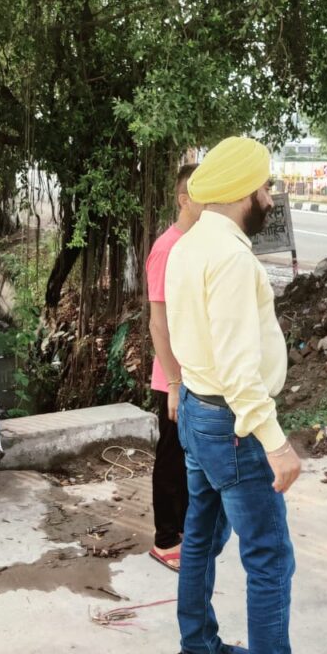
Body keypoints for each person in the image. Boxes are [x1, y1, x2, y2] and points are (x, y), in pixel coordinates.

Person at [165, 136, 300, 654]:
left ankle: (197, 645)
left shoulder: (188, 244)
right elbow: (238, 369)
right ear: (244, 191)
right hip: (233, 426)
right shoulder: (232, 260)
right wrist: (276, 443)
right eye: (264, 188)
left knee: (200, 537)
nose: (268, 198)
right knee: (269, 556)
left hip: (198, 412)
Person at [146, 163, 202, 572]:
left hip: (194, 373)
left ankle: (183, 530)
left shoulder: (197, 244)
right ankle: (165, 539)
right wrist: (174, 382)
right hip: (173, 376)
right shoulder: (168, 248)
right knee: (170, 457)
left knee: (187, 458)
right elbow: (158, 322)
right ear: (184, 200)